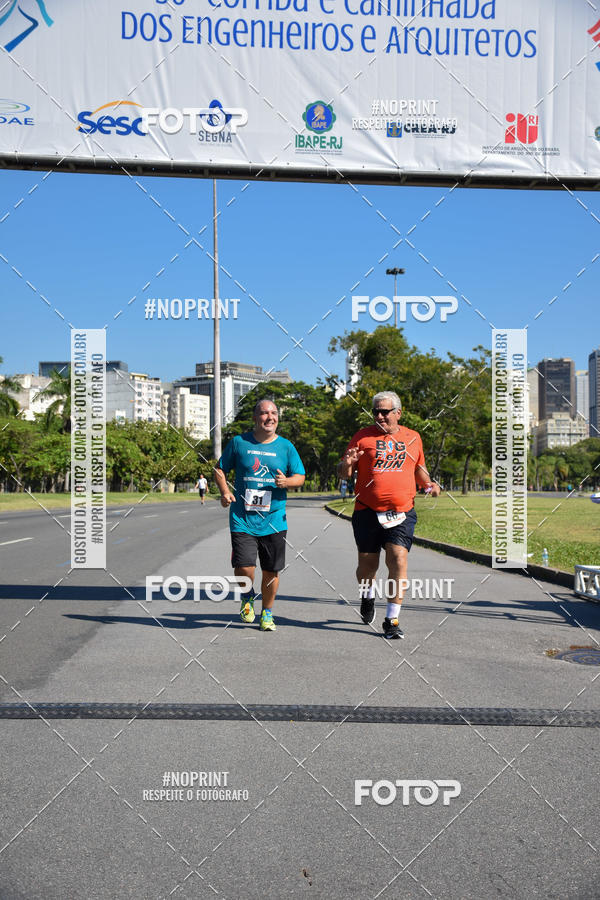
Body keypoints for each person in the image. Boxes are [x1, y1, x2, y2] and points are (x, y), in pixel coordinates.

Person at [339, 391, 440, 639]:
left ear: (398, 413)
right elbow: (343, 473)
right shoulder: (362, 437)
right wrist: (348, 463)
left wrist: (430, 485)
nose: (380, 416)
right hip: (367, 511)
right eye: (376, 412)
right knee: (367, 567)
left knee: (398, 560)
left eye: (385, 411)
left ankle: (392, 619)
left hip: (402, 512)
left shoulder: (413, 438)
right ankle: (367, 595)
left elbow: (419, 470)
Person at [214, 399, 306, 632]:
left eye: (273, 413)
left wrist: (287, 482)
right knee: (245, 566)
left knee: (270, 570)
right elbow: (219, 469)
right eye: (264, 413)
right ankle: (247, 595)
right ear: (255, 418)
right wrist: (225, 492)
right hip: (242, 517)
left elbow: (300, 476)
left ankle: (267, 612)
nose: (270, 417)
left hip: (274, 518)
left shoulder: (286, 447)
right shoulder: (239, 443)